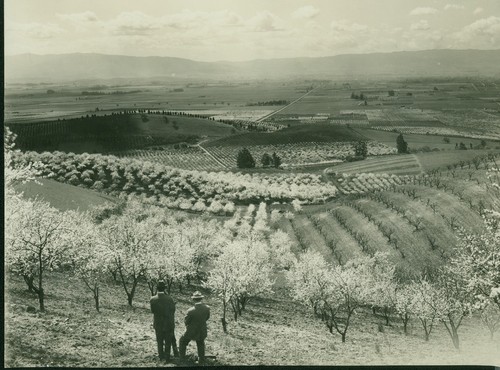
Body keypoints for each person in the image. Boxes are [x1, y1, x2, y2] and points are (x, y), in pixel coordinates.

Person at [179, 291, 210, 364]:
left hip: (191, 331)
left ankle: (182, 359)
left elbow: (186, 321)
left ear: (193, 299)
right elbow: (207, 318)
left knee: (182, 341)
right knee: (201, 343)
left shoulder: (190, 311)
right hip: (202, 330)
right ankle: (201, 360)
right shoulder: (207, 308)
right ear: (201, 299)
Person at [150, 280, 176, 361]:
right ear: (164, 288)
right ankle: (167, 357)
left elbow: (152, 311)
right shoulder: (169, 299)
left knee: (159, 340)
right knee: (168, 341)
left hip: (158, 323)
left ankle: (161, 356)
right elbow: (173, 310)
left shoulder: (152, 299)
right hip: (168, 323)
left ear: (157, 289)